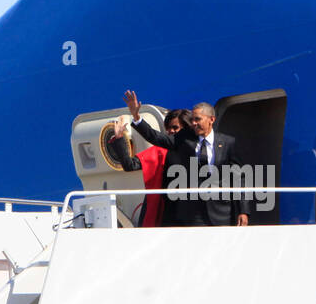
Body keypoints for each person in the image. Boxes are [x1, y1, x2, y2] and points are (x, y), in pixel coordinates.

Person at [123, 90, 252, 226]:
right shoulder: (185, 138)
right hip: (193, 213)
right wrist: (136, 117)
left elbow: (239, 178)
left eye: (198, 119)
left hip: (221, 212)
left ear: (211, 120)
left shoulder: (228, 143)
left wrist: (243, 211)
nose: (194, 123)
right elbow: (157, 138)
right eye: (192, 120)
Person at [108, 109, 190, 227]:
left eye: (175, 127)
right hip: (163, 213)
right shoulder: (160, 151)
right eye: (168, 128)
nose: (170, 131)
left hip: (192, 211)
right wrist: (119, 138)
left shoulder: (201, 150)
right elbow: (129, 165)